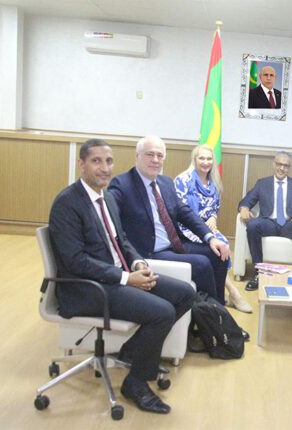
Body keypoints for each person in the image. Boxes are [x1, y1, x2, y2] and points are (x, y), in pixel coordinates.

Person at [48, 138, 196, 414]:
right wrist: (126, 278)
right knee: (162, 312)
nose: (105, 168)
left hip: (116, 277)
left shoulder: (107, 198)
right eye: (96, 161)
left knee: (186, 293)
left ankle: (132, 352)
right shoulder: (67, 203)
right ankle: (136, 383)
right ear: (81, 164)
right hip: (87, 288)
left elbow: (122, 240)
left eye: (109, 161)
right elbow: (75, 261)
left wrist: (137, 263)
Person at [108, 136, 231, 305]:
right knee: (202, 264)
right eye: (150, 154)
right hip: (151, 251)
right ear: (137, 156)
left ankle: (218, 308)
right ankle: (210, 312)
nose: (155, 160)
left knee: (220, 254)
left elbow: (185, 213)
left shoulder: (165, 182)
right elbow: (112, 223)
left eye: (160, 155)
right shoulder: (122, 184)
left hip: (176, 244)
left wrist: (210, 237)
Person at [174, 145, 253, 313]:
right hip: (186, 228)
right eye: (201, 158)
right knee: (218, 249)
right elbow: (181, 211)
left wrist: (212, 218)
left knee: (223, 244)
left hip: (206, 229)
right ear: (194, 160)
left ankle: (222, 297)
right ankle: (232, 292)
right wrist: (202, 225)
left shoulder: (213, 183)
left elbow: (214, 208)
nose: (205, 162)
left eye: (209, 158)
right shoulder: (183, 180)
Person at [238, 151, 292, 291]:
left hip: (289, 224)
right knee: (252, 225)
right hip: (268, 223)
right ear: (273, 164)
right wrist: (244, 208)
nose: (282, 168)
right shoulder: (262, 183)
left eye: (286, 165)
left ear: (289, 167)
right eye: (279, 164)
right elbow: (247, 200)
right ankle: (258, 272)